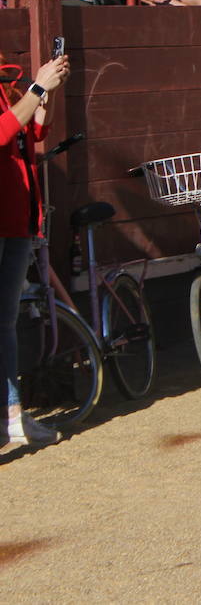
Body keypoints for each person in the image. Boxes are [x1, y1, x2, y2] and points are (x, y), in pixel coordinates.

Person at [1, 50, 69, 445]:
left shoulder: (6, 84)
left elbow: (33, 132)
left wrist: (49, 92)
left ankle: (12, 416)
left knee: (5, 325)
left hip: (16, 222)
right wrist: (38, 86)